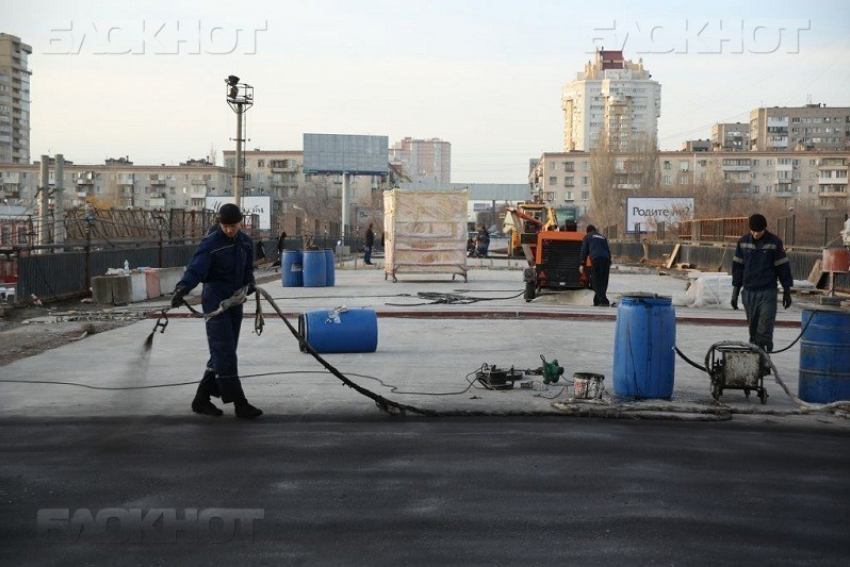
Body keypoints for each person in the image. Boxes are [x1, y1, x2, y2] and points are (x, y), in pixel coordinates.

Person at [171, 203, 262, 419]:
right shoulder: (210, 244)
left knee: (223, 351)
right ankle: (239, 402)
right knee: (225, 351)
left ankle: (201, 399)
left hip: (235, 302)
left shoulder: (246, 244)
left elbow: (247, 271)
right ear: (220, 224)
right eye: (226, 226)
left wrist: (249, 286)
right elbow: (196, 269)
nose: (229, 230)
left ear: (241, 223)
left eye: (233, 225)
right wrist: (182, 288)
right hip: (215, 304)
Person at [731, 213, 793, 353]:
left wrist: (787, 292)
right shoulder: (743, 242)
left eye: (758, 231)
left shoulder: (774, 243)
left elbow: (783, 268)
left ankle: (763, 354)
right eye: (753, 230)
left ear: (764, 228)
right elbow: (738, 269)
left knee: (764, 326)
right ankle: (756, 357)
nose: (755, 233)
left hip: (767, 291)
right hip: (748, 292)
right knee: (753, 329)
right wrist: (735, 293)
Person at [579, 224, 612, 307]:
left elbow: (584, 251)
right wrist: (609, 262)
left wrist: (582, 264)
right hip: (606, 260)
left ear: (587, 231)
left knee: (595, 281)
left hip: (596, 259)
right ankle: (597, 301)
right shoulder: (602, 237)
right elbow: (608, 250)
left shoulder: (587, 237)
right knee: (603, 281)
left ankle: (603, 301)